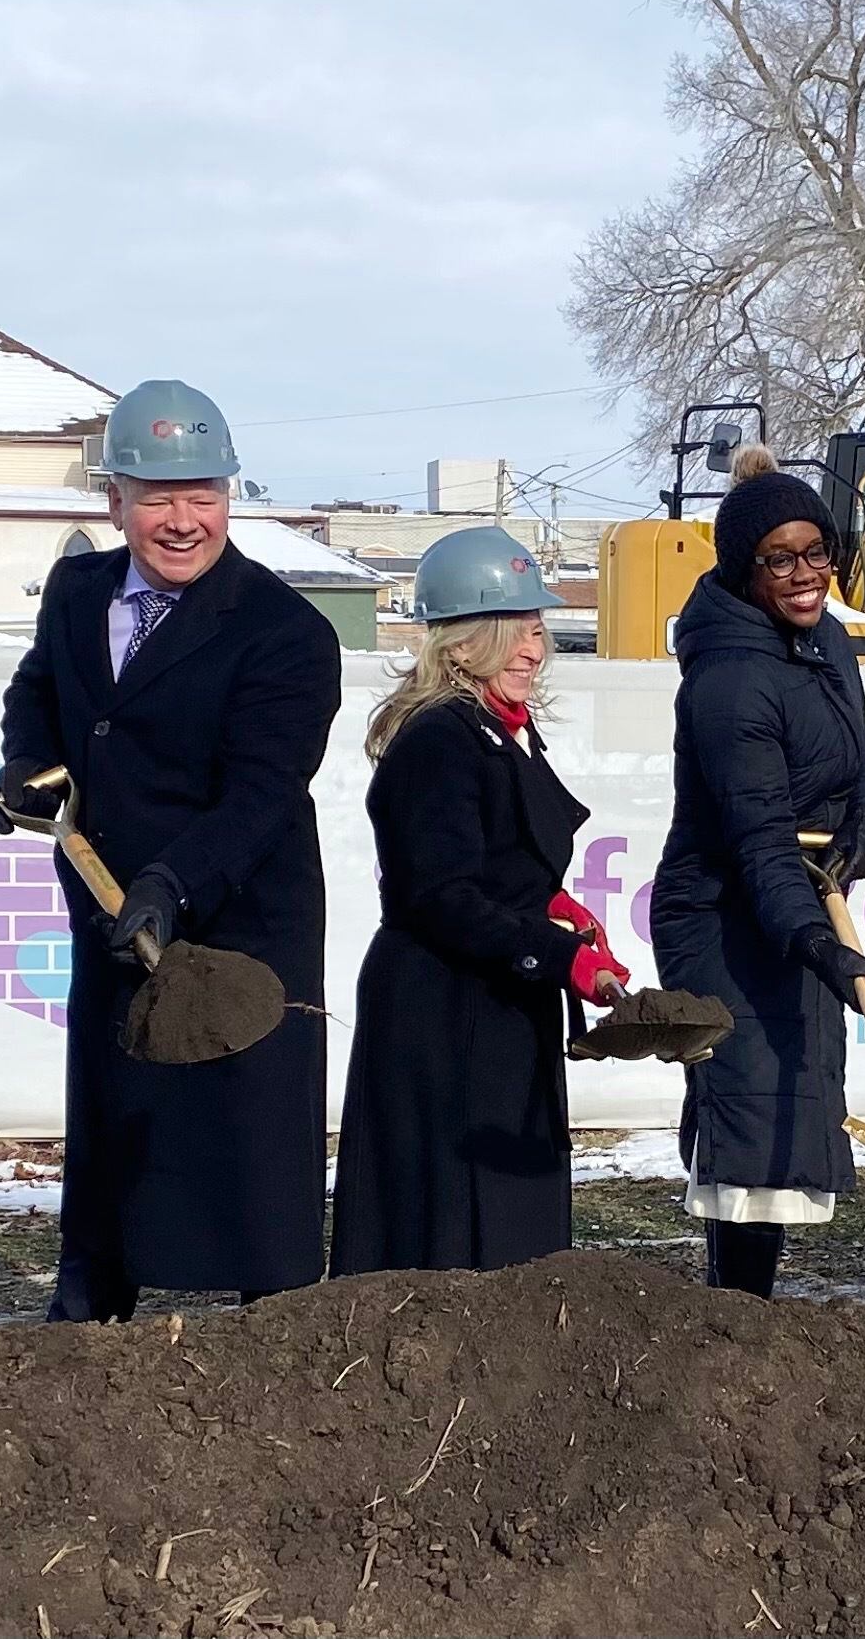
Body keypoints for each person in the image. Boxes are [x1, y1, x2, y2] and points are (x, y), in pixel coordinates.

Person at [0, 380, 341, 1320]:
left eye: (203, 494)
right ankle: (90, 1305)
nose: (182, 520)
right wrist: (25, 763)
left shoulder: (286, 633)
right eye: (157, 497)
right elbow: (36, 693)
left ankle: (275, 1327)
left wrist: (169, 881)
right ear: (115, 500)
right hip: (112, 911)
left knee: (243, 1140)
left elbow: (262, 794)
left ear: (231, 494)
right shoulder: (76, 592)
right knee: (116, 1119)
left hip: (236, 925)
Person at [330, 526, 627, 1275]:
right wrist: (561, 954)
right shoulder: (439, 739)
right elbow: (440, 893)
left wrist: (560, 909)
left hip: (495, 996)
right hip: (443, 1012)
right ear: (460, 645)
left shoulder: (500, 731)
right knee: (450, 1229)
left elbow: (495, 860)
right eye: (512, 631)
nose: (534, 648)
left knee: (507, 1216)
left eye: (537, 628)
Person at [649, 444, 865, 1298]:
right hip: (720, 915)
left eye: (815, 552)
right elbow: (757, 842)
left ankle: (748, 1310)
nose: (802, 573)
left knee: (791, 1103)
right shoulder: (730, 678)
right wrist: (824, 951)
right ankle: (734, 1316)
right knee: (751, 1103)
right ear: (743, 569)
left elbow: (855, 763)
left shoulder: (824, 640)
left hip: (788, 902)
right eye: (778, 559)